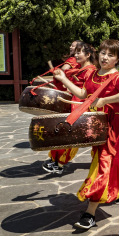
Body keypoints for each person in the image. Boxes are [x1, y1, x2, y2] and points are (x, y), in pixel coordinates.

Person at [53, 40, 119, 230]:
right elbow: (83, 93)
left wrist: (104, 101)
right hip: (95, 122)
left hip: (112, 123)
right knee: (109, 158)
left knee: (104, 161)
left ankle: (90, 213)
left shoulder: (118, 77)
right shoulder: (93, 74)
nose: (105, 57)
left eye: (110, 55)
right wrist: (63, 80)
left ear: (118, 58)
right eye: (103, 53)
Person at [43, 43, 97, 174]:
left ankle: (59, 163)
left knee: (71, 134)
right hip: (75, 102)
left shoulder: (90, 70)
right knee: (68, 132)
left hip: (81, 104)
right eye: (76, 52)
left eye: (79, 53)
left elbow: (86, 92)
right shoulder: (81, 69)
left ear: (88, 55)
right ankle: (57, 161)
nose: (76, 55)